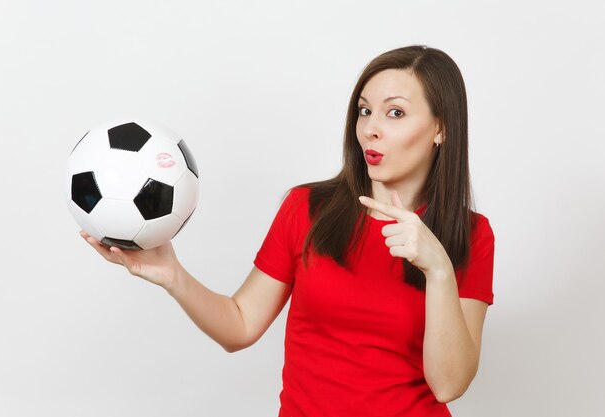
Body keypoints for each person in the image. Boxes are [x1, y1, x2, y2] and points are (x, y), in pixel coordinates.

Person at [80, 45, 495, 417]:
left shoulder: (471, 235)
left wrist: (438, 269)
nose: (370, 127)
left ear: (440, 128)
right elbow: (240, 326)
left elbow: (448, 385)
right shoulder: (307, 208)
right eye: (365, 110)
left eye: (396, 112)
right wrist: (173, 276)